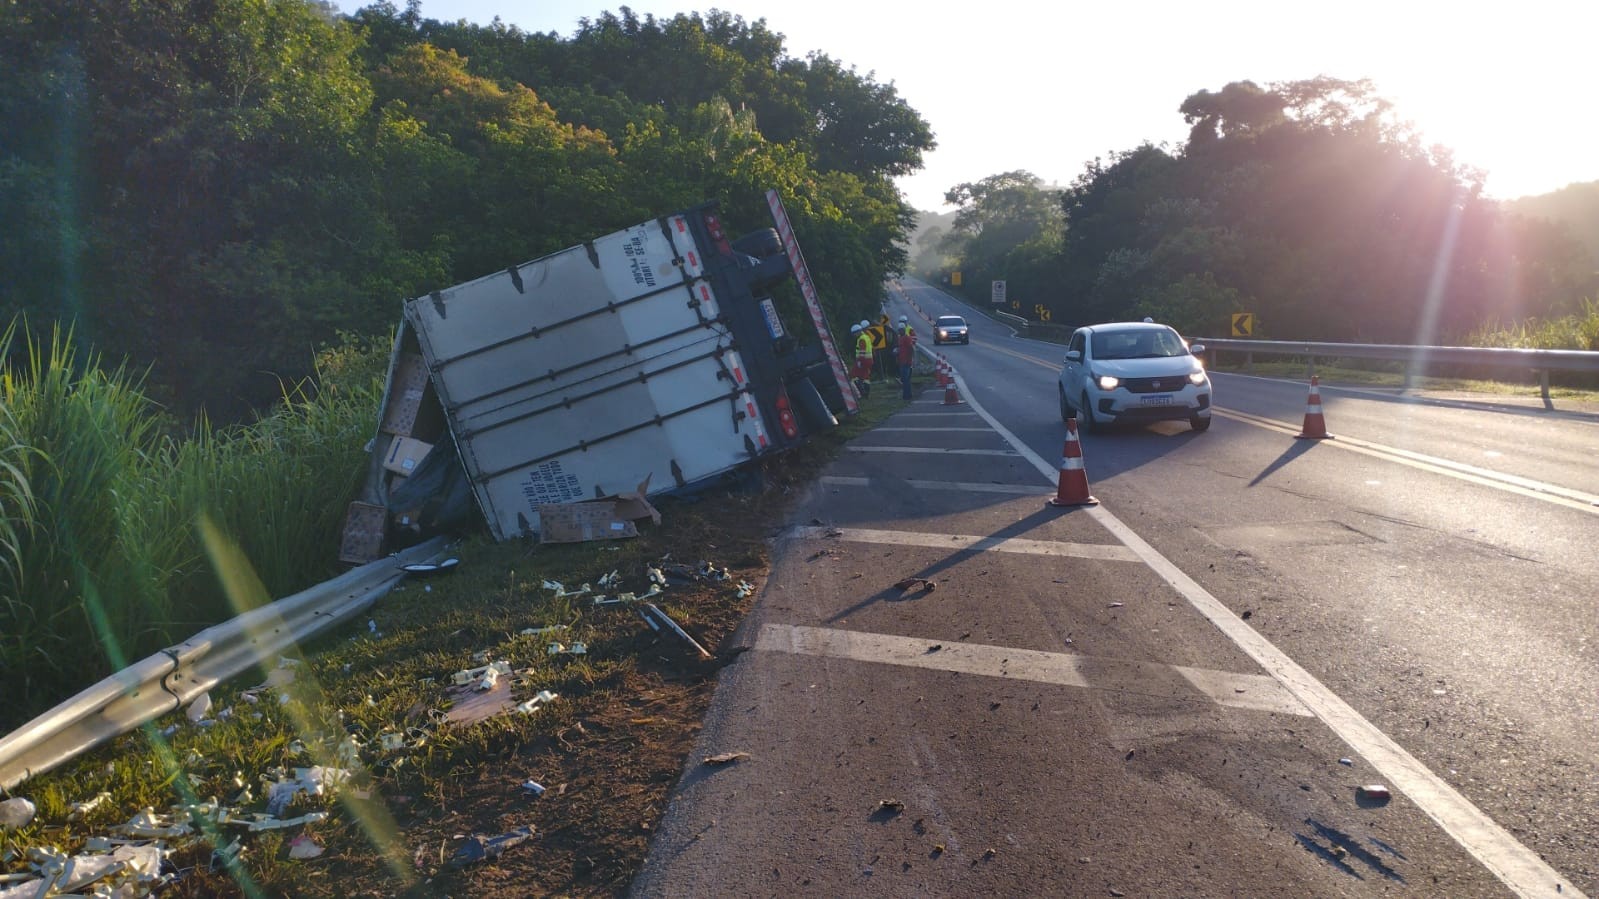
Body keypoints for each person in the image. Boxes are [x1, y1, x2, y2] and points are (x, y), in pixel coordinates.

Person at [895, 316, 917, 400]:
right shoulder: (900, 338)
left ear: (903, 330)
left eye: (900, 330)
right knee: (904, 380)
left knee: (906, 380)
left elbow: (911, 349)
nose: (899, 331)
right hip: (902, 361)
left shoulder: (907, 338)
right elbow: (901, 349)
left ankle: (907, 396)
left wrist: (909, 360)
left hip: (906, 362)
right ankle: (906, 395)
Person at [850, 323, 872, 398]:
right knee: (866, 377)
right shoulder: (866, 337)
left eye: (854, 333)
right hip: (869, 360)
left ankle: (861, 392)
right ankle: (866, 393)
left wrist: (860, 361)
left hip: (863, 360)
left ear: (858, 331)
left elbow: (862, 351)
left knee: (853, 375)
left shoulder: (861, 339)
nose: (854, 335)